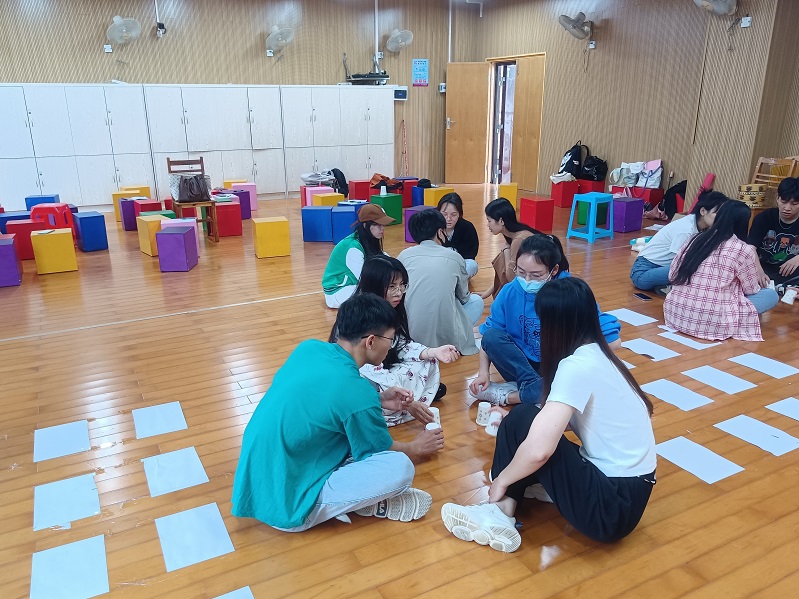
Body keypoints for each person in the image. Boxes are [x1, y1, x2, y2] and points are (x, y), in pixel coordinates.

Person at [441, 277, 657, 552]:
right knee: (523, 419)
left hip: (609, 509)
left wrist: (501, 481)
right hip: (628, 496)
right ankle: (518, 499)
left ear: (555, 324)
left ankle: (500, 509)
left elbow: (540, 451)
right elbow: (580, 421)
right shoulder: (601, 355)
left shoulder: (576, 366)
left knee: (523, 421)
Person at [231, 294, 444, 532]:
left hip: (256, 479)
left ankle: (353, 500)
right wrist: (416, 447)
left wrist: (378, 400)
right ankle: (350, 504)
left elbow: (323, 400)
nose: (391, 346)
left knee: (346, 436)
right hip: (290, 504)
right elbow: (380, 449)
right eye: (390, 339)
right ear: (371, 341)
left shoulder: (309, 348)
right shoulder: (357, 392)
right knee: (400, 466)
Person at [471, 234, 621, 406]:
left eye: (536, 275)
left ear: (554, 270)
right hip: (523, 367)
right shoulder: (510, 291)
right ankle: (538, 390)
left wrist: (575, 358)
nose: (527, 281)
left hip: (557, 365)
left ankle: (515, 395)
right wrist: (483, 373)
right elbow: (489, 336)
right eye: (520, 272)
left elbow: (613, 340)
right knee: (491, 336)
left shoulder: (569, 292)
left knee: (568, 377)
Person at [344, 256, 461, 426]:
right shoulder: (362, 315)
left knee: (428, 361)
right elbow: (366, 367)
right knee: (369, 391)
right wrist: (408, 402)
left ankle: (409, 396)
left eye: (402, 285)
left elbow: (402, 345)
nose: (399, 292)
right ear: (375, 285)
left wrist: (434, 351)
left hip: (384, 370)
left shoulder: (390, 310)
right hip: (364, 375)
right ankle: (409, 398)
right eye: (392, 286)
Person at [665, 199, 779, 342]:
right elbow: (751, 289)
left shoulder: (694, 239)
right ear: (743, 223)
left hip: (675, 314)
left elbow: (672, 274)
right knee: (770, 295)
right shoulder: (742, 249)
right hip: (714, 321)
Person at [399, 209, 484, 356]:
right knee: (476, 301)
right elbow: (464, 297)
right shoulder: (454, 257)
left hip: (409, 333)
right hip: (446, 337)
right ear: (440, 232)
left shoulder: (403, 256)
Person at [630, 191, 729, 293]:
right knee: (694, 268)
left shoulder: (702, 227)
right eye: (716, 213)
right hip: (642, 273)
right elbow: (680, 262)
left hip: (662, 269)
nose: (720, 217)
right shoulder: (686, 230)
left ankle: (665, 287)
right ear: (703, 211)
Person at [322, 204, 394, 308]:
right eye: (378, 225)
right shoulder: (352, 248)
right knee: (378, 293)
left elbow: (385, 259)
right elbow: (365, 279)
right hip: (337, 292)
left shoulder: (367, 240)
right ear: (365, 225)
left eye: (383, 225)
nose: (382, 228)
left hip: (352, 286)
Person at [481, 198, 541, 299]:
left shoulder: (519, 239)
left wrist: (506, 250)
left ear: (501, 221)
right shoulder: (514, 236)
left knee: (503, 257)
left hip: (534, 287)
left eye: (489, 221)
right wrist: (487, 293)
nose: (488, 225)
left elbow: (511, 277)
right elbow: (504, 272)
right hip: (529, 283)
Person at [747, 176, 799, 289]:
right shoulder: (764, 217)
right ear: (777, 198)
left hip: (791, 271)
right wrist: (759, 272)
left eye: (794, 204)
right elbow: (750, 248)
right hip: (763, 267)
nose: (787, 208)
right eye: (783, 201)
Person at [438, 192, 480, 278]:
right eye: (444, 214)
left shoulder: (467, 227)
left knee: (472, 265)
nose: (448, 219)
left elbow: (470, 255)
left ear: (459, 214)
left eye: (453, 215)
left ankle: (455, 280)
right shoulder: (434, 227)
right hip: (438, 264)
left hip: (459, 265)